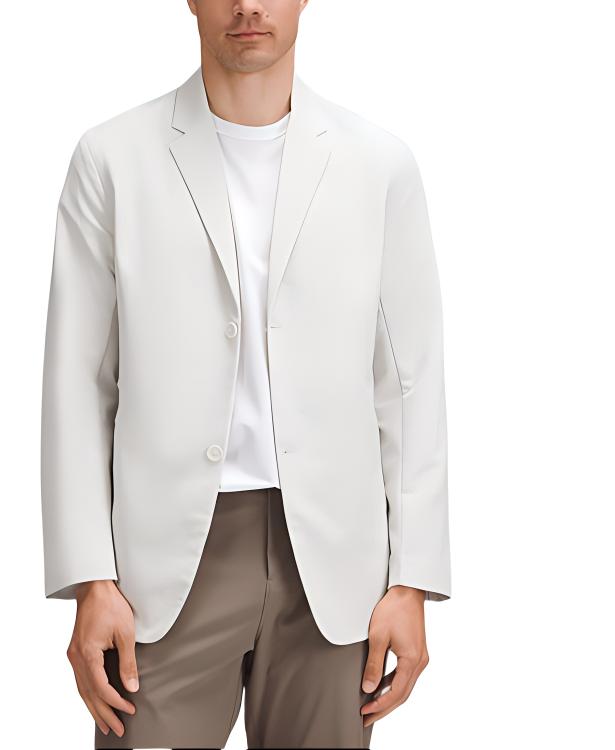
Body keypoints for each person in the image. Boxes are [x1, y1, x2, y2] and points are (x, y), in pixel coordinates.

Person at [40, 1, 452, 747]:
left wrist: (412, 578)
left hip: (335, 562)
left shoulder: (378, 164)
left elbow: (409, 380)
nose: (248, 6)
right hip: (162, 563)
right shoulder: (113, 158)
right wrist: (90, 578)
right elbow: (77, 381)